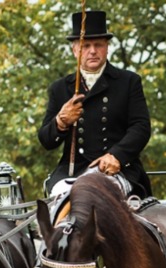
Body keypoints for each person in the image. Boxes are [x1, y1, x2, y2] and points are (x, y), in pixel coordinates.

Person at [38, 10, 152, 198]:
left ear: (107, 48)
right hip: (73, 172)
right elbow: (46, 140)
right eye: (86, 45)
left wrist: (117, 156)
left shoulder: (128, 81)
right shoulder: (60, 88)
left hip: (118, 170)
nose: (92, 51)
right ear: (75, 50)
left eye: (98, 45)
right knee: (54, 211)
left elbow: (140, 127)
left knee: (104, 199)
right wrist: (61, 122)